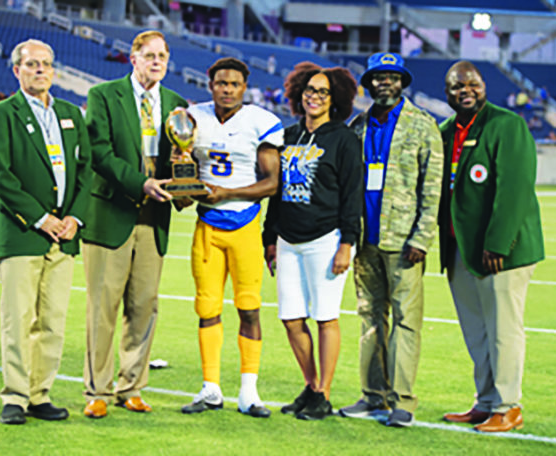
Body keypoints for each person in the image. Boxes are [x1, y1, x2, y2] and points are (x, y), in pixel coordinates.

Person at [0, 39, 91, 425]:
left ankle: (39, 393)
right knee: (18, 319)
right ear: (17, 70)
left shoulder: (70, 114)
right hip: (23, 232)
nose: (40, 70)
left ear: (54, 70)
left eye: (46, 63)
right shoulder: (1, 113)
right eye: (31, 64)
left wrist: (74, 218)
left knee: (53, 321)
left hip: (64, 235)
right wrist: (42, 218)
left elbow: (86, 171)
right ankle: (14, 396)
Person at [81, 30, 187, 419]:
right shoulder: (104, 96)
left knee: (144, 307)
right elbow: (100, 154)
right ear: (133, 58)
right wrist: (139, 182)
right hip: (111, 214)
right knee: (102, 308)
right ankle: (97, 390)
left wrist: (185, 183)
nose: (157, 61)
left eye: (163, 55)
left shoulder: (176, 104)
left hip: (154, 218)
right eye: (150, 55)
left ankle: (132, 387)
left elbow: (182, 153)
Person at [438, 61, 544, 432]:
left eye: (472, 84)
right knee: (477, 332)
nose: (464, 91)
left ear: (484, 86)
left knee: (503, 330)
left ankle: (508, 406)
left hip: (502, 252)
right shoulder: (447, 130)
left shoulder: (506, 124)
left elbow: (514, 190)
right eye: (455, 87)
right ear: (446, 93)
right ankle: (485, 402)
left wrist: (499, 243)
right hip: (461, 249)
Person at [338, 52, 443, 428]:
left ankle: (403, 401)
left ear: (402, 83)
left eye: (392, 77)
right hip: (365, 239)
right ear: (369, 84)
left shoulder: (423, 125)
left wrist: (422, 237)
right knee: (369, 318)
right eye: (378, 78)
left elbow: (432, 191)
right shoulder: (358, 126)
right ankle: (372, 395)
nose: (385, 83)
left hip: (403, 243)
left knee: (406, 321)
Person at [180, 57, 283, 418]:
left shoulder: (261, 121)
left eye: (234, 84)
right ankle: (210, 388)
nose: (227, 89)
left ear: (244, 87)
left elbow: (272, 183)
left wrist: (227, 193)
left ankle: (249, 392)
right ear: (210, 85)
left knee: (249, 308)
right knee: (206, 308)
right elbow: (182, 170)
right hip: (206, 223)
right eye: (221, 83)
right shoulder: (192, 117)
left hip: (244, 225)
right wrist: (187, 188)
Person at [263, 62, 362, 421]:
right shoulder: (287, 136)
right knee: (291, 318)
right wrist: (269, 238)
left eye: (322, 92)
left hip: (326, 238)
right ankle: (311, 384)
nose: (314, 97)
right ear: (298, 93)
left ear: (334, 99)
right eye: (309, 90)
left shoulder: (344, 139)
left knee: (325, 318)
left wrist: (347, 242)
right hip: (288, 239)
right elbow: (275, 192)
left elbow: (353, 194)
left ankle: (325, 392)